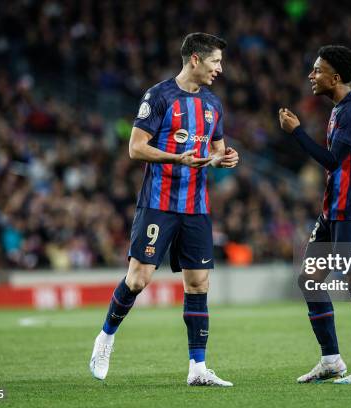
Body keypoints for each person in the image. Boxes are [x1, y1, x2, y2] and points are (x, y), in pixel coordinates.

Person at [90, 32, 239, 387]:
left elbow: (217, 149)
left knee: (198, 284)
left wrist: (224, 159)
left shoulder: (213, 105)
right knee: (138, 279)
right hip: (159, 204)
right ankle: (106, 338)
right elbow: (135, 148)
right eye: (216, 61)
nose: (220, 68)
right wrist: (176, 157)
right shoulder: (158, 97)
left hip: (196, 207)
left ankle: (198, 368)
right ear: (195, 59)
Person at [279, 45, 351, 384]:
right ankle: (331, 360)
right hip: (334, 211)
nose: (312, 75)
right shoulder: (339, 110)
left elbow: (332, 161)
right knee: (310, 280)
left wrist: (295, 132)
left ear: (335, 77)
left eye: (317, 70)